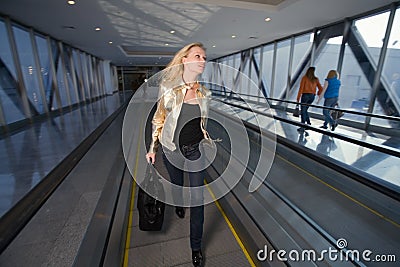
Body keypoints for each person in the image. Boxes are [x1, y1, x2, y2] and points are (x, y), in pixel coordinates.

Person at [145, 42, 210, 267]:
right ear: (184, 59)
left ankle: (196, 246)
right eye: (198, 56)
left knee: (199, 200)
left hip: (195, 151)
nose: (203, 60)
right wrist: (152, 148)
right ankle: (179, 203)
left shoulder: (204, 92)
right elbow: (159, 119)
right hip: (171, 149)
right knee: (176, 183)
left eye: (204, 57)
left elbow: (202, 122)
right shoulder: (168, 88)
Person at [296, 66, 323, 132]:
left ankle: (303, 126)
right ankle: (308, 123)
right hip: (312, 96)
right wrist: (318, 93)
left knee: (303, 111)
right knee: (305, 110)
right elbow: (321, 89)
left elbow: (301, 88)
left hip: (305, 95)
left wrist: (298, 98)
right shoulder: (316, 79)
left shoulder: (304, 78)